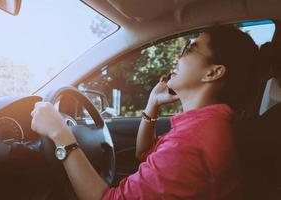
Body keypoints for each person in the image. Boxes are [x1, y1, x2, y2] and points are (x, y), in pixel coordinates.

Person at [31, 25, 259, 200]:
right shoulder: (205, 126)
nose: (179, 57)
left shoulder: (191, 141)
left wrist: (61, 135)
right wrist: (152, 104)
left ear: (213, 73)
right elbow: (145, 153)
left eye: (190, 48)